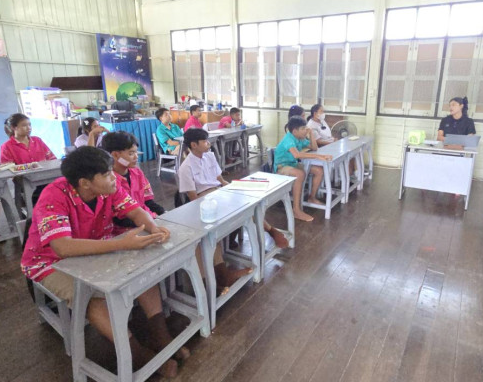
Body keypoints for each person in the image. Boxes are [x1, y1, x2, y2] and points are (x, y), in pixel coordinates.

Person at [21, 146, 187, 376]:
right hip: (50, 262)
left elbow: (136, 210)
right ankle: (135, 353)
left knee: (142, 272)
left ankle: (161, 335)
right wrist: (122, 244)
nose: (113, 178)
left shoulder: (110, 187)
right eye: (107, 174)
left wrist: (153, 227)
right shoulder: (53, 195)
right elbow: (62, 247)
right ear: (85, 183)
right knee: (90, 296)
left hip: (97, 248)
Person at [178, 129, 289, 286]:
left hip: (219, 191)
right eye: (205, 141)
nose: (208, 144)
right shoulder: (185, 167)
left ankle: (270, 230)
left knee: (247, 203)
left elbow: (219, 178)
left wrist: (229, 186)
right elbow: (193, 198)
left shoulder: (209, 156)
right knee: (216, 226)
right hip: (205, 198)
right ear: (194, 145)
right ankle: (224, 272)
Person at [273, 117, 331, 223]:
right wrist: (318, 156)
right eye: (303, 128)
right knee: (300, 174)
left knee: (318, 171)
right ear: (295, 131)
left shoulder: (300, 138)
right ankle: (296, 210)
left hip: (293, 164)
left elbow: (314, 148)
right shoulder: (288, 139)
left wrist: (311, 133)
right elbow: (297, 155)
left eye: (306, 128)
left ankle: (311, 197)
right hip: (281, 167)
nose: (306, 130)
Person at [101, 131, 166, 221]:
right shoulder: (109, 181)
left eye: (136, 152)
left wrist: (164, 213)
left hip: (146, 218)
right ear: (115, 155)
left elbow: (147, 201)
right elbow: (114, 217)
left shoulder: (137, 173)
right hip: (127, 226)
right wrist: (145, 223)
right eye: (131, 153)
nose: (136, 157)